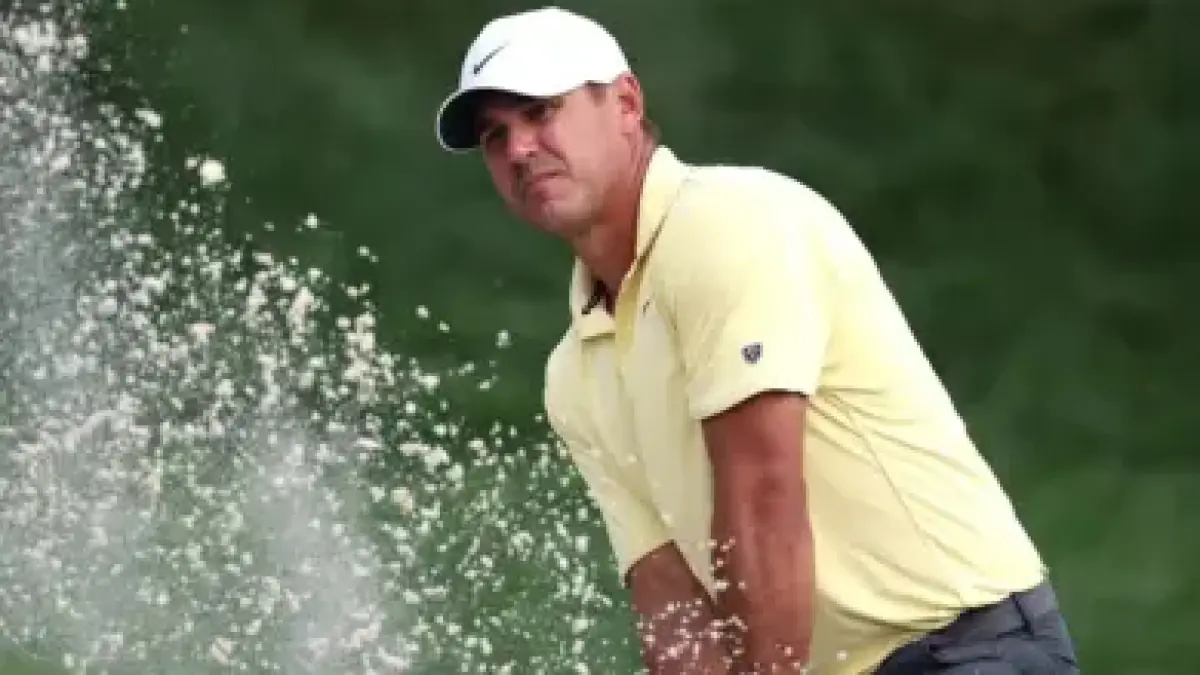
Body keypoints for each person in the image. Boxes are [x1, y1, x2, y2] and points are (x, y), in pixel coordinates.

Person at [434, 7, 1079, 674]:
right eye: (494, 136)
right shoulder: (573, 376)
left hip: (965, 646)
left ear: (626, 104)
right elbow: (673, 607)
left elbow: (762, 499)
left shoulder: (727, 225)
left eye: (540, 111)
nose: (518, 149)